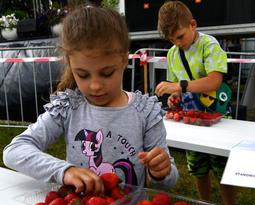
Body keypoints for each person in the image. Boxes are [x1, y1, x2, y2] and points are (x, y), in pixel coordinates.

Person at [3, 5, 178, 195]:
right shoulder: (69, 107)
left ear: (124, 59)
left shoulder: (145, 112)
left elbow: (168, 182)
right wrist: (64, 171)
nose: (95, 86)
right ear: (70, 65)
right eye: (83, 75)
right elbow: (14, 151)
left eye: (107, 73)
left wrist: (161, 171)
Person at [155, 1, 240, 205]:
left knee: (223, 169)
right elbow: (177, 91)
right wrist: (174, 99)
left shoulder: (208, 45)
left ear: (193, 25)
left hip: (217, 118)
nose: (177, 43)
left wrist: (179, 86)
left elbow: (213, 81)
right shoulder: (173, 54)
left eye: (180, 36)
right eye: (172, 40)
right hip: (193, 120)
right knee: (198, 168)